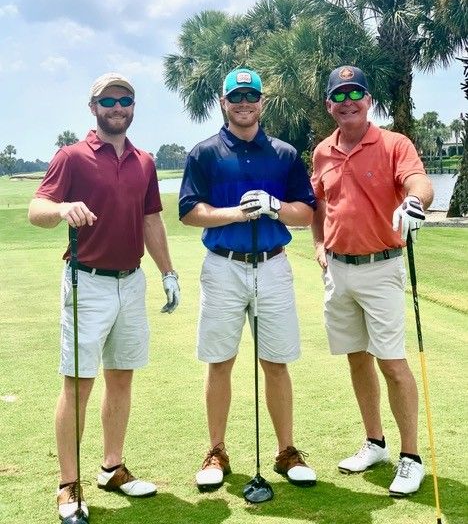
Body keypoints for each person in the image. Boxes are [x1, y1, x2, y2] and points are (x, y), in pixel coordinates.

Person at [28, 72, 180, 521]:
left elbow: (152, 220)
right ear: (93, 107)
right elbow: (38, 209)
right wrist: (60, 208)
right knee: (77, 384)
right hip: (86, 281)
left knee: (121, 378)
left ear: (133, 106)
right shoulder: (72, 156)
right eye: (109, 100)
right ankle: (68, 485)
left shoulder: (145, 161)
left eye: (125, 100)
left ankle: (111, 466)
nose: (118, 107)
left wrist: (168, 272)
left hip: (131, 281)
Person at [179, 67, 317, 491]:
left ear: (262, 102)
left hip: (272, 264)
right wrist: (237, 213)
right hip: (222, 266)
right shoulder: (204, 153)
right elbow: (189, 212)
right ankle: (216, 450)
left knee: (276, 362)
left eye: (250, 96)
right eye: (235, 97)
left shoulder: (285, 154)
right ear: (223, 102)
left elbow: (307, 213)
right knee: (220, 361)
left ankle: (286, 450)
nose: (243, 104)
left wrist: (275, 205)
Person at [311, 65, 434, 496]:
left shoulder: (394, 143)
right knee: (356, 357)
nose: (348, 102)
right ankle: (375, 442)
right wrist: (319, 245)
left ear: (369, 101)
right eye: (339, 96)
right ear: (330, 105)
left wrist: (416, 201)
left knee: (392, 363)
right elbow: (320, 205)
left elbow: (417, 180)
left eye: (355, 94)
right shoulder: (323, 151)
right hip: (338, 271)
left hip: (382, 267)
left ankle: (411, 457)